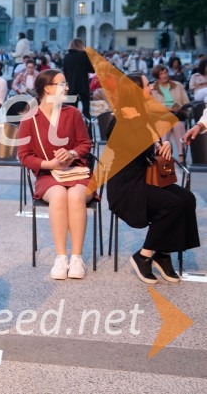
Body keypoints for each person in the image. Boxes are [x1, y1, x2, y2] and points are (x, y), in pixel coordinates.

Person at [111, 73, 200, 284]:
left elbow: (152, 146)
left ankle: (163, 253)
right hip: (126, 185)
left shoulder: (144, 113)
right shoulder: (121, 117)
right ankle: (143, 256)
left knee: (187, 199)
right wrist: (156, 144)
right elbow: (132, 146)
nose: (151, 87)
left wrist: (162, 145)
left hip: (147, 178)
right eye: (146, 84)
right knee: (173, 205)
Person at [19, 69, 95, 280]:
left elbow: (85, 144)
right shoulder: (30, 118)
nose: (67, 88)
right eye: (62, 84)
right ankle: (61, 257)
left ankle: (77, 257)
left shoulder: (73, 113)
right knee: (60, 195)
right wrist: (48, 163)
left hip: (76, 171)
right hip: (48, 175)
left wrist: (71, 153)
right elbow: (24, 156)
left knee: (76, 195)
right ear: (48, 89)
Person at [150, 64, 189, 162]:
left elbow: (186, 103)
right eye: (161, 73)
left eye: (165, 72)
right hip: (161, 116)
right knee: (165, 124)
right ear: (157, 76)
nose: (164, 75)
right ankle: (163, 153)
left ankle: (181, 155)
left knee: (178, 124)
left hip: (177, 114)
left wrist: (179, 109)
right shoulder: (152, 88)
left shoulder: (178, 85)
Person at [62, 38, 95, 120]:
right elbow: (92, 69)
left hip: (70, 85)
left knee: (72, 111)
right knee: (86, 111)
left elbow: (64, 72)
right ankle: (87, 129)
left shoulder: (66, 57)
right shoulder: (83, 55)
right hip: (82, 85)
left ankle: (72, 129)